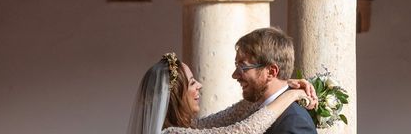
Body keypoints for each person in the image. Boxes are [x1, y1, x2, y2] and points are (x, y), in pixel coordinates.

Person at [127, 51, 315, 134]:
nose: (199, 85)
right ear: (176, 96)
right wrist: (291, 95)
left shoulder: (192, 128)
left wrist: (279, 84)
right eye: (192, 83)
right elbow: (242, 130)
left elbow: (233, 114)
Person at [232, 27, 317, 134]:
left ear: (271, 72)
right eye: (237, 65)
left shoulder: (295, 123)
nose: (235, 75)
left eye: (242, 67)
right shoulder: (254, 110)